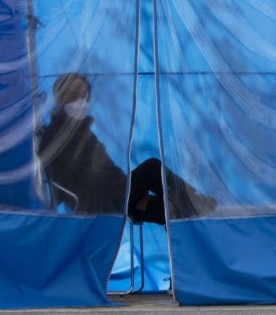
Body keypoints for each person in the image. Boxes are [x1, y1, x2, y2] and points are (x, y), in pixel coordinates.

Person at [37, 72, 216, 224]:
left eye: (85, 96)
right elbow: (81, 177)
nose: (81, 102)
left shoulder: (83, 132)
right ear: (60, 99)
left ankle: (192, 211)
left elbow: (108, 169)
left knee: (168, 208)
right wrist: (129, 191)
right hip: (95, 203)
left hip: (114, 196)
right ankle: (194, 203)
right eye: (74, 96)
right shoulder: (55, 136)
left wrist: (135, 191)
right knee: (153, 167)